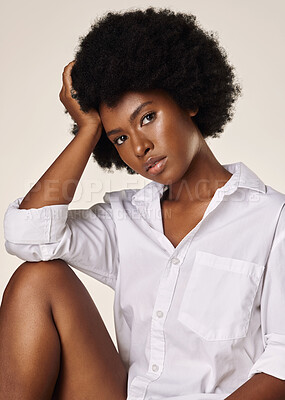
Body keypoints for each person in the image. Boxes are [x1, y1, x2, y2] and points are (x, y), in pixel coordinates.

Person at [1, 6, 285, 400]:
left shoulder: (273, 220)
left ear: (188, 100)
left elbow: (281, 365)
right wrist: (87, 131)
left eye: (147, 117)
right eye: (118, 138)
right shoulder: (126, 220)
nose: (139, 147)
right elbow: (26, 235)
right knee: (37, 279)